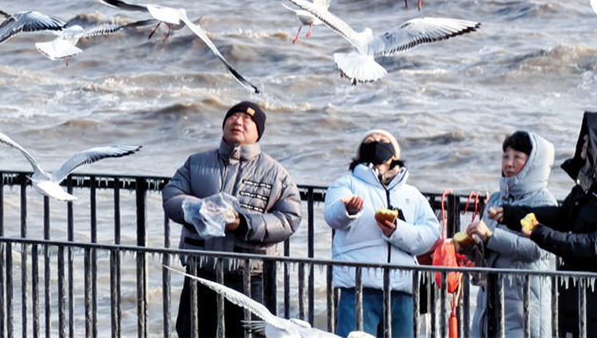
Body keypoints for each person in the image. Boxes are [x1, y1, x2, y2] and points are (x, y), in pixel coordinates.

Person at [162, 101, 302, 338]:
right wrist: (199, 209)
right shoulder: (196, 163)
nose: (238, 122)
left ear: (258, 132)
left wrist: (243, 223)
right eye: (233, 117)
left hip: (250, 275)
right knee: (191, 332)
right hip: (201, 270)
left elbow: (289, 218)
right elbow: (171, 196)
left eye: (247, 119)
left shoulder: (276, 172)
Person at [492, 112, 597, 337]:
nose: (583, 148)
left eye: (589, 143)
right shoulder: (593, 184)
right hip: (583, 304)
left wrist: (541, 234)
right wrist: (510, 214)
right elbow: (562, 216)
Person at [324, 129, 440, 338]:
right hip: (359, 287)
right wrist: (348, 210)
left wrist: (398, 230)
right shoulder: (347, 184)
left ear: (395, 154)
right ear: (360, 154)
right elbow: (332, 215)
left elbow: (431, 232)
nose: (377, 143)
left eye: (383, 141)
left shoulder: (412, 194)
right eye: (370, 141)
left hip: (402, 289)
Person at [464, 131, 557, 338]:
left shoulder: (543, 203)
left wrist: (490, 236)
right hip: (489, 300)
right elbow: (489, 252)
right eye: (506, 156)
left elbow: (536, 249)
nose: (509, 163)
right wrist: (471, 248)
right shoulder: (496, 200)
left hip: (524, 302)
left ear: (534, 163)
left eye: (518, 157)